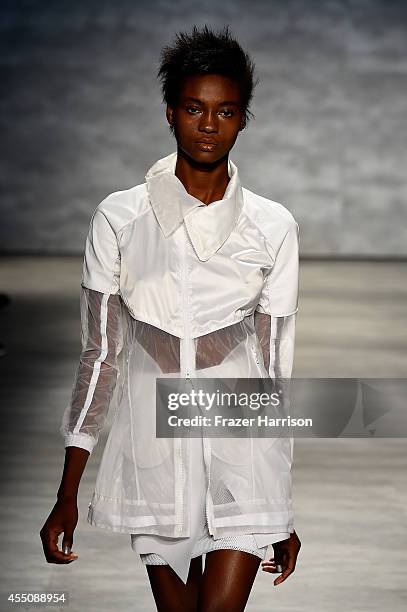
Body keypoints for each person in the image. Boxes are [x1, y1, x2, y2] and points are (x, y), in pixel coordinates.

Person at [40, 24, 301, 612]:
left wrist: (279, 504)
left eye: (225, 111)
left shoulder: (273, 227)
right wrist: (66, 494)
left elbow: (274, 373)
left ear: (242, 120)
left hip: (242, 450)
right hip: (153, 452)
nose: (208, 125)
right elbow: (101, 355)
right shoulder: (119, 219)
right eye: (194, 108)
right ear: (170, 112)